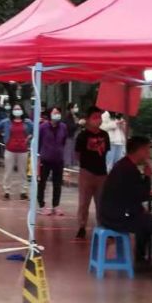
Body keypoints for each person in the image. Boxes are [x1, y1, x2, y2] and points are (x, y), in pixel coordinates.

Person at [101, 136, 152, 281]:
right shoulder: (129, 170)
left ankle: (141, 260)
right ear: (139, 151)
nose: (148, 154)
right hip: (117, 217)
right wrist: (147, 177)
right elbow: (143, 195)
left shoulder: (123, 165)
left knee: (146, 220)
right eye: (147, 150)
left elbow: (130, 196)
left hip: (111, 213)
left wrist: (140, 211)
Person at [74, 107, 110, 239]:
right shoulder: (82, 136)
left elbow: (106, 152)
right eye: (95, 117)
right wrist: (85, 165)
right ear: (88, 119)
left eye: (99, 117)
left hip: (102, 173)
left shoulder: (105, 135)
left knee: (102, 202)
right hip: (86, 173)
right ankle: (81, 226)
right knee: (84, 202)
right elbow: (77, 154)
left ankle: (103, 225)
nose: (98, 120)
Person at [0, 104, 35, 200]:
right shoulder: (7, 121)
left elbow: (36, 129)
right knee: (8, 171)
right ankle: (7, 191)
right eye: (15, 109)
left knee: (23, 172)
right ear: (12, 111)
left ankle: (23, 192)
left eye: (19, 109)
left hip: (23, 150)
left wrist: (30, 136)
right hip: (10, 149)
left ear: (22, 110)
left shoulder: (27, 122)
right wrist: (3, 134)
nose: (17, 110)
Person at [37, 106, 68, 215]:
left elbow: (63, 141)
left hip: (58, 160)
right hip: (45, 159)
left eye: (58, 112)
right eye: (55, 112)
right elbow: (38, 141)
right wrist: (40, 155)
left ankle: (56, 205)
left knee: (57, 184)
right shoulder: (43, 127)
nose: (57, 114)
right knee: (42, 183)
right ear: (50, 114)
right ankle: (41, 205)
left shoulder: (63, 127)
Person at [62, 102, 79, 168]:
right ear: (71, 109)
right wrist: (78, 124)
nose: (76, 109)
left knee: (73, 150)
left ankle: (73, 163)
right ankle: (68, 164)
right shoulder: (68, 116)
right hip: (69, 135)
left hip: (74, 136)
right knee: (68, 150)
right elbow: (70, 127)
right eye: (75, 107)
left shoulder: (75, 116)